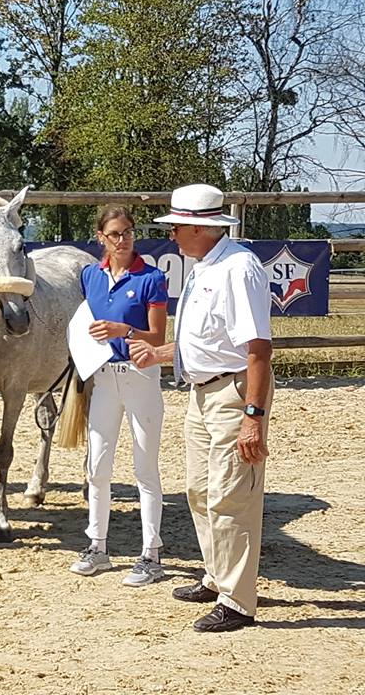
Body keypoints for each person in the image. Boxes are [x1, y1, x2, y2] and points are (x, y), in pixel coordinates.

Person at [128, 184, 273, 632]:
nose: (172, 236)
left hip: (232, 396)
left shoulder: (237, 269)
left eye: (176, 227)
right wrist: (161, 354)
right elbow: (209, 343)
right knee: (198, 490)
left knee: (231, 496)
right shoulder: (206, 266)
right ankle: (217, 576)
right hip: (201, 392)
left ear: (199, 227)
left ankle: (237, 601)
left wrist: (254, 417)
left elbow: (258, 350)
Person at [69, 205, 168, 586]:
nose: (123, 239)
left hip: (140, 375)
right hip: (104, 377)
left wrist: (123, 330)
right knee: (98, 465)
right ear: (101, 238)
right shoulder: (90, 276)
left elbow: (157, 337)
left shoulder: (151, 278)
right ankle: (98, 545)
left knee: (145, 467)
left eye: (127, 232)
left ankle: (151, 552)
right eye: (115, 234)